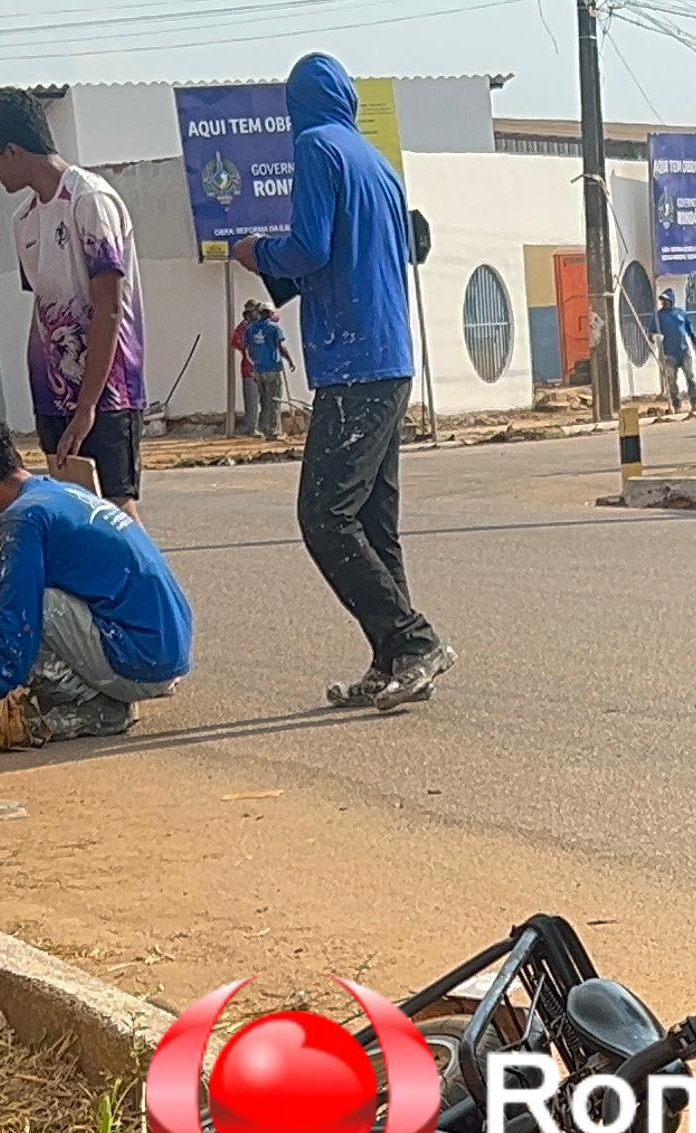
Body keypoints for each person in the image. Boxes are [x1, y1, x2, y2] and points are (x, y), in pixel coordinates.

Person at [229, 54, 452, 712]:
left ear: (296, 105)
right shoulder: (375, 162)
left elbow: (309, 250)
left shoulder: (315, 148)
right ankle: (395, 659)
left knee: (324, 515)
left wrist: (255, 253)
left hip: (354, 361)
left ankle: (412, 641)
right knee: (373, 523)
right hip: (388, 356)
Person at [0, 409, 189, 740]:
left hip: (140, 663)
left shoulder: (23, 518)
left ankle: (91, 703)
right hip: (163, 651)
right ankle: (96, 687)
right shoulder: (60, 492)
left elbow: (16, 624)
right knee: (8, 581)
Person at [0, 88, 143, 510]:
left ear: (12, 151)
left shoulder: (90, 200)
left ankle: (147, 579)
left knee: (116, 509)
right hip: (53, 393)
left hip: (106, 392)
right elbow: (43, 308)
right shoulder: (23, 219)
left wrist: (87, 407)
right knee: (75, 509)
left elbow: (110, 307)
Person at [239, 301, 288, 437]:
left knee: (264, 400)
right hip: (272, 367)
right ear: (270, 313)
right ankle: (272, 431)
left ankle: (263, 427)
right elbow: (280, 346)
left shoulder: (251, 329)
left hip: (258, 369)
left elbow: (248, 348)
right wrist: (289, 360)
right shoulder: (274, 328)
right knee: (274, 399)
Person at [654, 286, 696, 417]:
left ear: (672, 300)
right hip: (668, 353)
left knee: (690, 377)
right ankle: (676, 404)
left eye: (666, 300)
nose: (664, 303)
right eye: (662, 301)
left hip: (684, 351)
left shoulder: (681, 313)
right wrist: (654, 338)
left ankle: (695, 402)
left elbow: (689, 330)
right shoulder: (658, 316)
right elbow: (652, 331)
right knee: (671, 380)